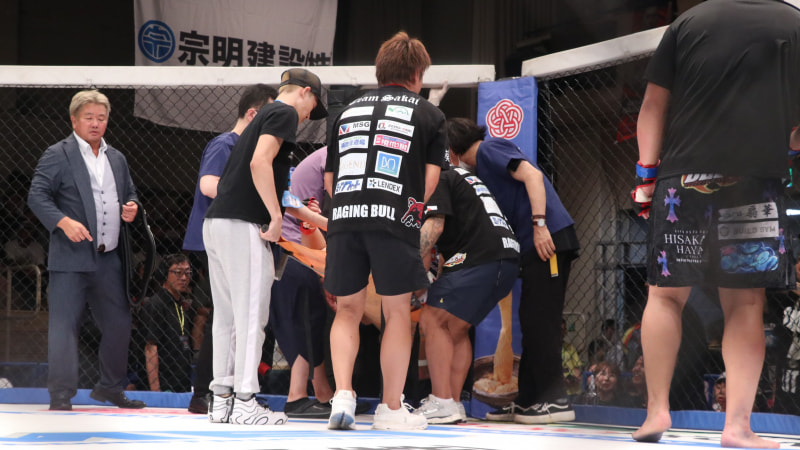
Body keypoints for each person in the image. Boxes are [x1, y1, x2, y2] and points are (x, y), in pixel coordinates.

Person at [630, 1, 800, 447]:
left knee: (665, 296)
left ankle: (656, 410)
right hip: (755, 178)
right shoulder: (793, 22)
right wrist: (789, 152)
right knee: (744, 303)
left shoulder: (689, 21)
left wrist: (646, 176)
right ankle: (737, 426)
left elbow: (652, 104)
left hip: (684, 177)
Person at [324, 31, 448, 431]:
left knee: (347, 310)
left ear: (380, 71)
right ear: (416, 73)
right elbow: (430, 182)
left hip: (344, 217)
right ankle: (390, 408)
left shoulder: (346, 112)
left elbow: (329, 181)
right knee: (396, 313)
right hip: (394, 218)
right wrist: (404, 213)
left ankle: (343, 395)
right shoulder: (429, 114)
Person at [203, 68, 327, 425]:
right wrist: (274, 217)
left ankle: (222, 400)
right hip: (244, 224)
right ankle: (245, 400)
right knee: (251, 316)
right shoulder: (284, 112)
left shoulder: (263, 118)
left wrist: (323, 223)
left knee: (227, 317)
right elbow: (260, 163)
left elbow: (277, 187)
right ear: (305, 92)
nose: (308, 117)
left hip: (219, 223)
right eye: (312, 107)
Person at [447, 117, 580, 424]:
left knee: (542, 322)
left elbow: (532, 175)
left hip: (548, 240)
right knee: (531, 321)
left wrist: (539, 225)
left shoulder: (489, 149)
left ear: (452, 150)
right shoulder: (483, 168)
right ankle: (528, 400)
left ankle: (555, 401)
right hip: (534, 246)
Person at [27, 89, 146, 410]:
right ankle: (61, 394)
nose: (95, 123)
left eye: (101, 118)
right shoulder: (58, 154)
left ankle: (110, 387)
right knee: (65, 327)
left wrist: (132, 206)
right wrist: (63, 221)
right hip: (70, 258)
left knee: (119, 323)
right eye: (89, 117)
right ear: (74, 120)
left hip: (109, 257)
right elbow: (37, 196)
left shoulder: (116, 157)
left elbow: (130, 193)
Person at [182, 84, 277, 414]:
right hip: (226, 233)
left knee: (230, 317)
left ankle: (222, 394)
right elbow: (208, 184)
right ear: (253, 115)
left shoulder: (245, 147)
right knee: (235, 317)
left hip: (225, 234)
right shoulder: (227, 144)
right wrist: (252, 194)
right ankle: (224, 394)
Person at [412, 166, 520, 424]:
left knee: (432, 318)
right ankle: (453, 403)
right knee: (456, 327)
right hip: (506, 260)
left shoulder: (436, 177)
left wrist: (403, 267)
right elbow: (447, 248)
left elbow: (434, 227)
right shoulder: (463, 177)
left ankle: (441, 401)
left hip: (479, 258)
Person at [271, 147, 336, 419]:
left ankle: (323, 393)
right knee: (303, 321)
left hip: (298, 249)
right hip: (294, 251)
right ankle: (296, 396)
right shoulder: (334, 156)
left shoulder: (319, 160)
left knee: (311, 320)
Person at [140, 254, 195, 393]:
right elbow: (150, 348)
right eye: (178, 272)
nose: (184, 278)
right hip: (164, 385)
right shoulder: (156, 305)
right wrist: (156, 391)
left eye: (187, 273)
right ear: (165, 273)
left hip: (182, 382)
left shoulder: (179, 304)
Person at [561, 319, 583, 400]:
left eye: (564, 329)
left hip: (573, 391)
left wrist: (577, 377)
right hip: (559, 391)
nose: (562, 332)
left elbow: (576, 368)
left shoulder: (570, 348)